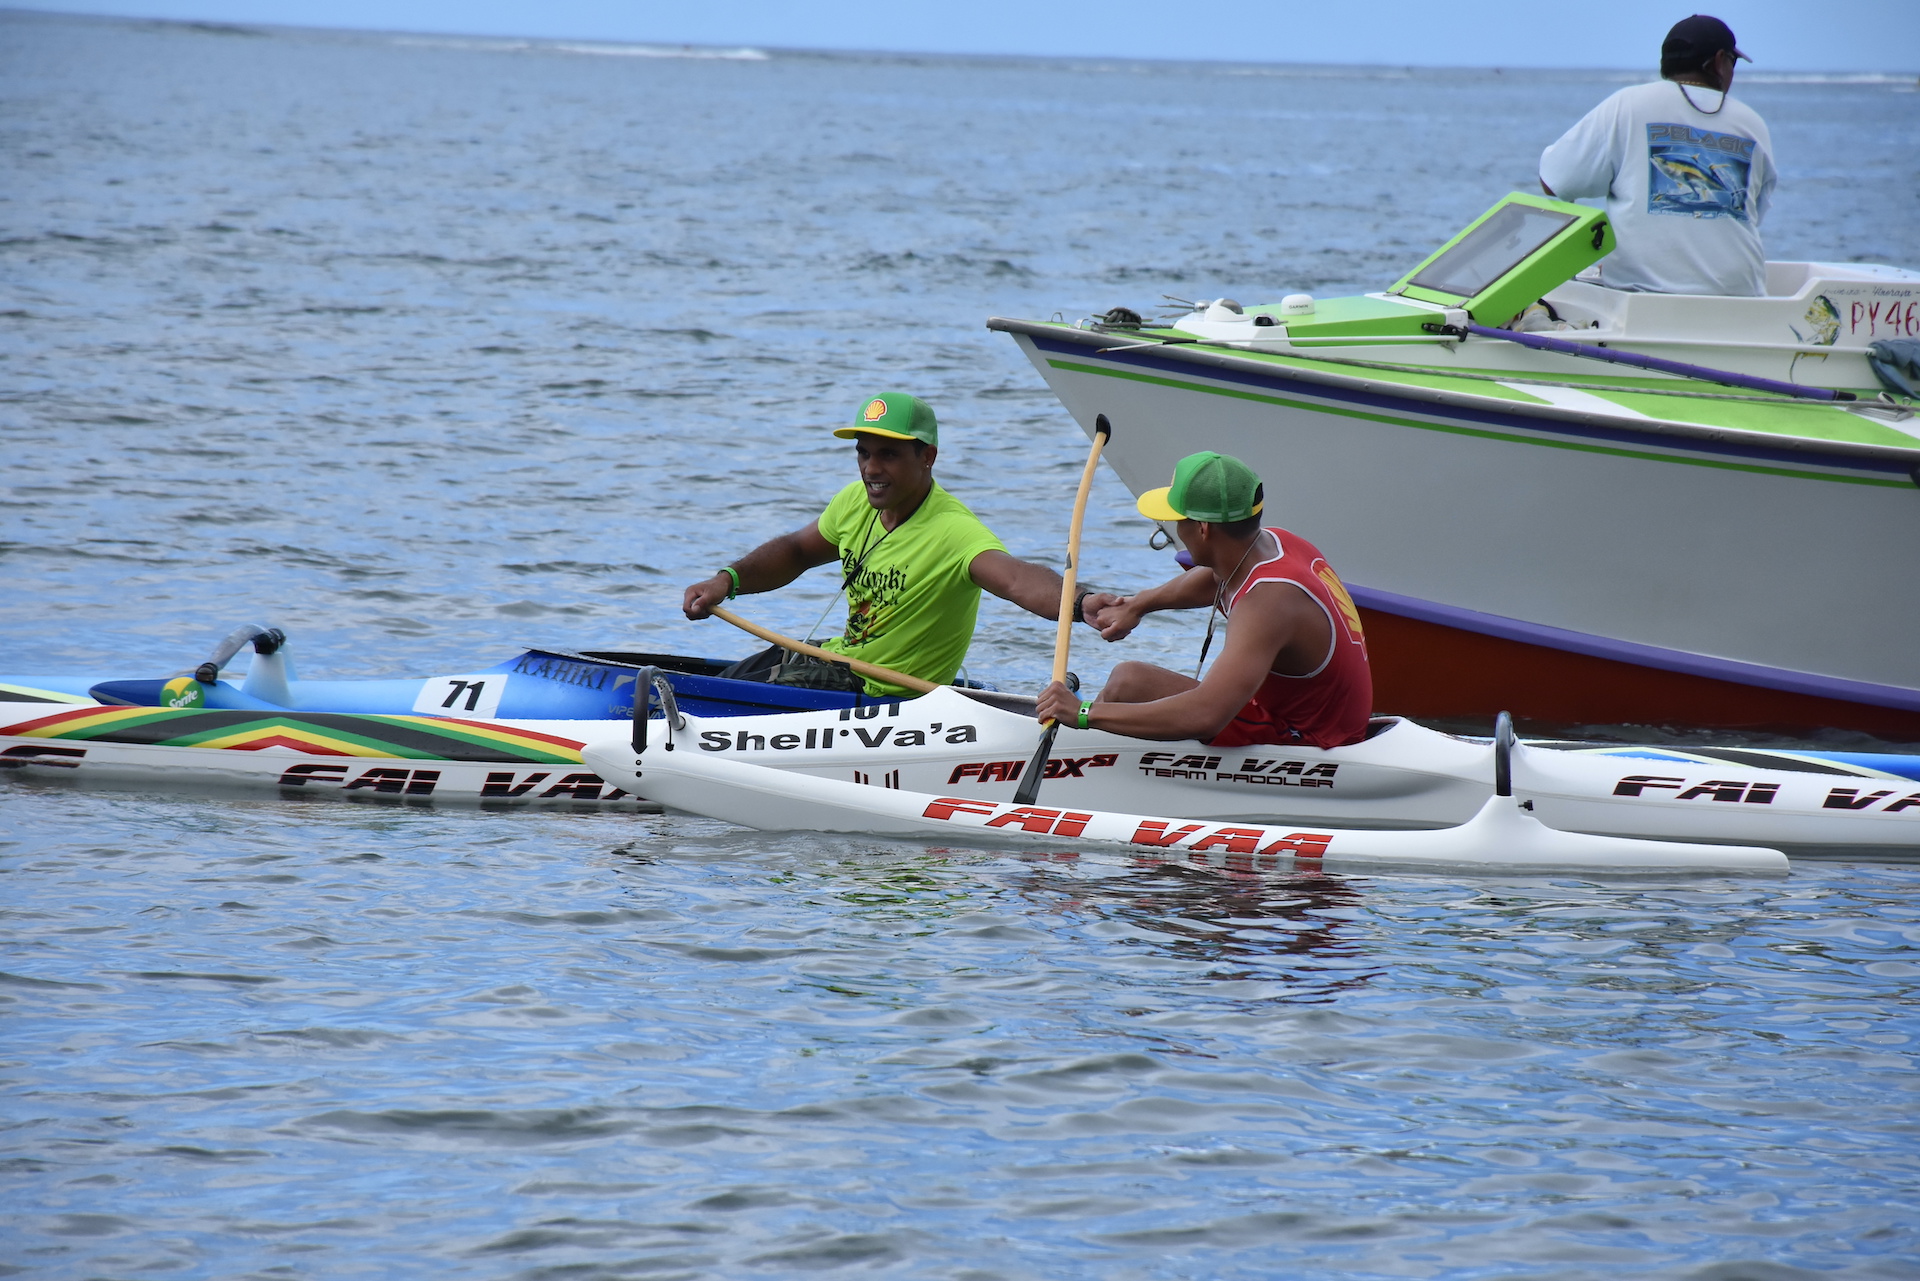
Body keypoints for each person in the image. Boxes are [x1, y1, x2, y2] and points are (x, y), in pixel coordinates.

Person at [682, 393, 1093, 696]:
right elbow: (797, 551)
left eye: (888, 455)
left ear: (927, 457)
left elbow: (1018, 580)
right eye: (863, 454)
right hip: (842, 659)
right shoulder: (854, 502)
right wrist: (727, 580)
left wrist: (1083, 602)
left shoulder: (954, 531)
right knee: (717, 683)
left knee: (709, 697)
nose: (871, 469)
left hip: (885, 690)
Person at [1035, 452, 1372, 749]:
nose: (1175, 529)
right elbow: (1216, 577)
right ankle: (1088, 731)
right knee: (1128, 680)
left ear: (1203, 529)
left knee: (1128, 684)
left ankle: (1082, 747)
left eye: (1178, 520)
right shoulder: (1274, 543)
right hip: (1311, 714)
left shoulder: (1268, 601)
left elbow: (1206, 715)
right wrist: (1138, 605)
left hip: (1310, 738)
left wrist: (1083, 714)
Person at [1539, 15, 1777, 297]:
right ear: (1718, 61)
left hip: (1642, 299)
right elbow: (1753, 213)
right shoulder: (1752, 123)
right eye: (1732, 62)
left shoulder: (1627, 105)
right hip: (1743, 301)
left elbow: (1554, 181)